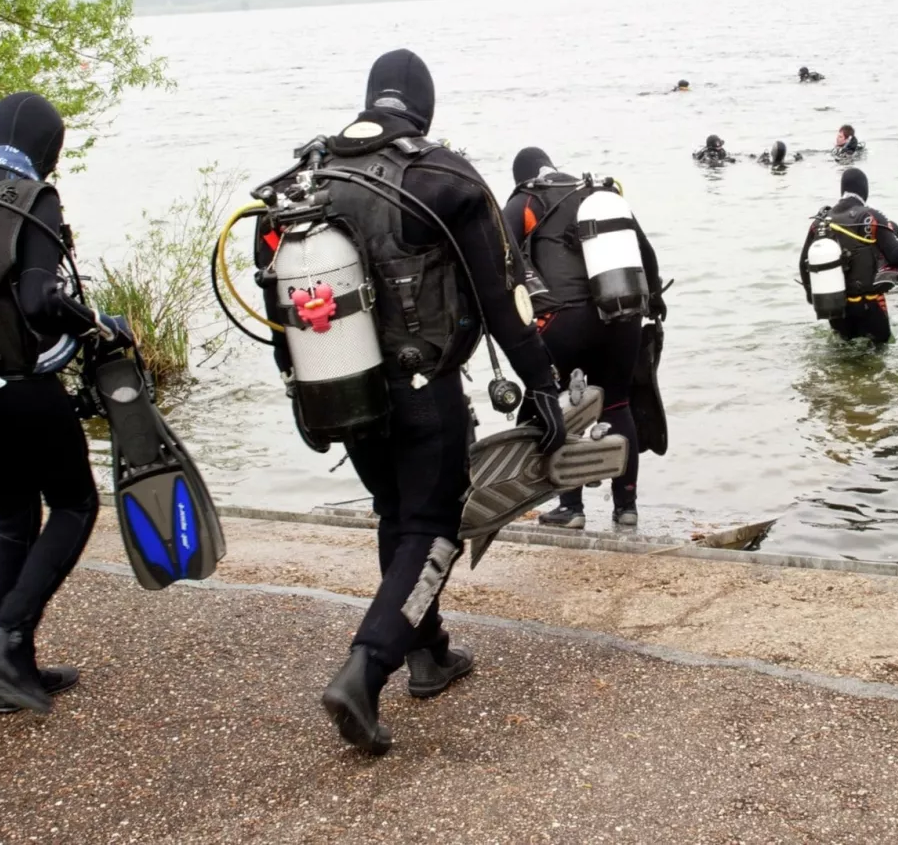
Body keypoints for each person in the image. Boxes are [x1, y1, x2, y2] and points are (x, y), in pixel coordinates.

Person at [253, 50, 568, 756]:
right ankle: (366, 670)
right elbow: (501, 299)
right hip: (425, 392)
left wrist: (300, 393)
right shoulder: (441, 175)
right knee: (433, 526)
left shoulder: (305, 181)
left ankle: (430, 654)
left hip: (343, 386)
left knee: (395, 512)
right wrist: (542, 385)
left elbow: (278, 305)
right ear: (424, 105)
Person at [0, 93, 133, 715]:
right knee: (76, 505)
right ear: (45, 145)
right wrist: (99, 325)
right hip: (21, 389)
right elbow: (38, 301)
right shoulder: (32, 198)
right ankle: (8, 640)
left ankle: (13, 672)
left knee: (14, 521)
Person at [503, 147, 666, 530]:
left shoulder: (525, 200)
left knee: (567, 407)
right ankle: (626, 507)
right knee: (618, 404)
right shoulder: (596, 194)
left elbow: (502, 258)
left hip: (562, 320)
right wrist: (654, 301)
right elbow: (645, 252)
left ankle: (571, 508)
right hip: (621, 313)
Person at [798, 167, 898, 345]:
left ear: (843, 189)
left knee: (843, 355)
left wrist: (813, 299)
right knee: (879, 356)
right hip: (870, 305)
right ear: (864, 190)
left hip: (835, 306)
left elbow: (803, 264)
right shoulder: (870, 217)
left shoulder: (820, 223)